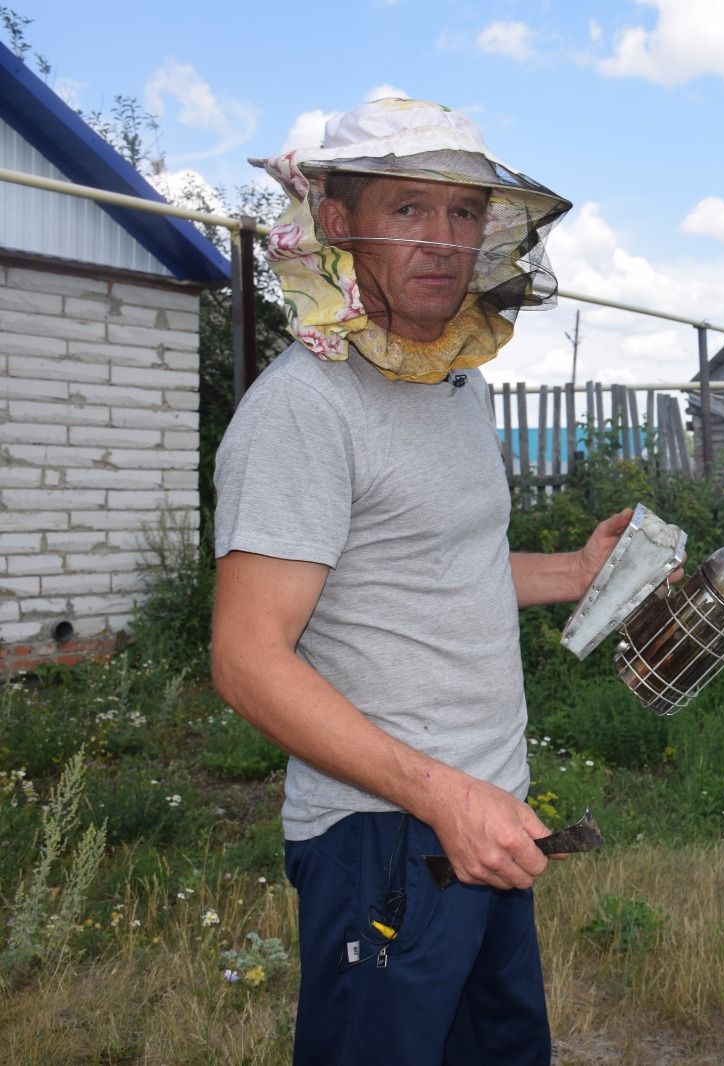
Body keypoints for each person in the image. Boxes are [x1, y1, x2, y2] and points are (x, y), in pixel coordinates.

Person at [211, 98, 621, 1066]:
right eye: (407, 209)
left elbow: (433, 570)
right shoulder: (302, 410)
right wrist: (443, 796)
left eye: (464, 213)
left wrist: (575, 571)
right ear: (339, 226)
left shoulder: (454, 385)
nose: (442, 240)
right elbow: (245, 658)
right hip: (383, 835)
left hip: (481, 817)